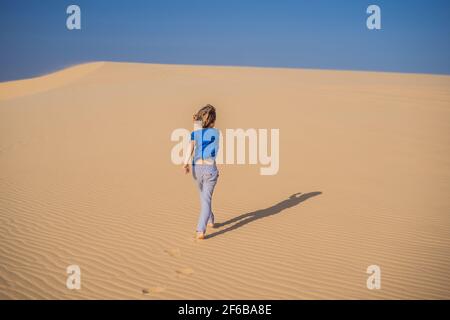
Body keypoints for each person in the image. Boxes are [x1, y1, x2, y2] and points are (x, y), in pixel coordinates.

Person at [183, 104, 220, 240]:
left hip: (196, 169)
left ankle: (208, 220)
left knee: (204, 198)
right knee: (206, 199)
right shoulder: (216, 133)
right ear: (213, 120)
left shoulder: (195, 133)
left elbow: (190, 148)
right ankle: (201, 229)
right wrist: (198, 122)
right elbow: (204, 131)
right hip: (210, 169)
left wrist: (185, 163)